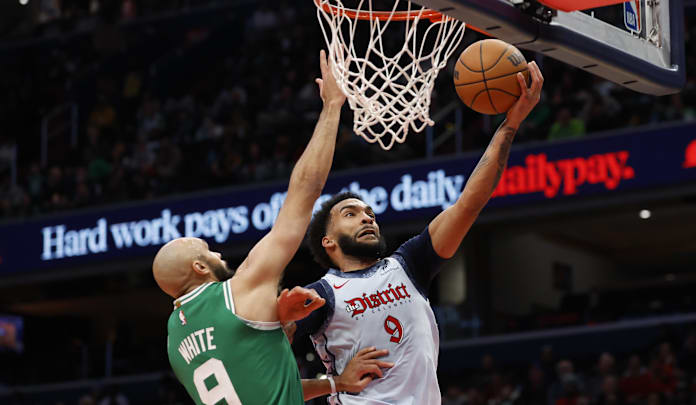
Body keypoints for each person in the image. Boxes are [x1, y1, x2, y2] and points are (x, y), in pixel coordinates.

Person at [289, 61, 544, 404]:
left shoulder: (409, 263)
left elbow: (469, 202)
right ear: (328, 241)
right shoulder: (320, 295)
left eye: (370, 213)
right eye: (350, 214)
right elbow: (260, 380)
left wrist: (511, 123)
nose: (367, 218)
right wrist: (333, 384)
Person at [153, 50, 392, 405]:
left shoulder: (175, 341)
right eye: (208, 251)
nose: (218, 252)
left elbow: (260, 383)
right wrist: (331, 108)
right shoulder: (240, 288)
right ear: (200, 267)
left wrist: (336, 382)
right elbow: (303, 195)